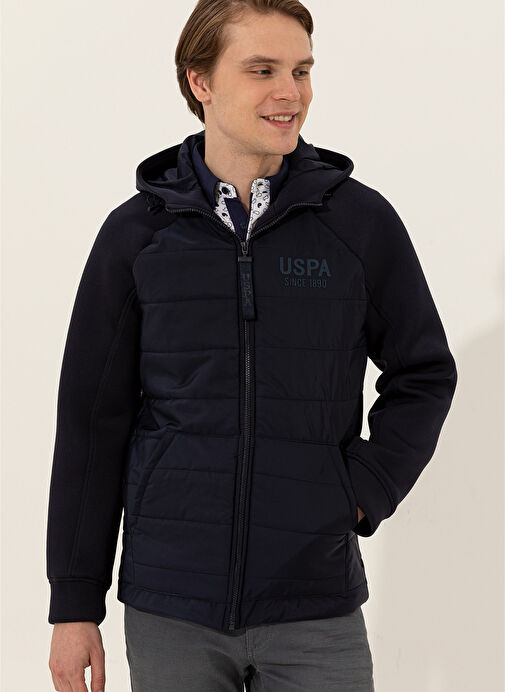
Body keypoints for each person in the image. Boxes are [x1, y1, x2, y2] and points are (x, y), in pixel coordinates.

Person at [46, 0, 458, 690]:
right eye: (262, 70)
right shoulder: (137, 235)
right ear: (200, 81)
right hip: (171, 606)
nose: (289, 93)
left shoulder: (357, 223)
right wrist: (74, 602)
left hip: (314, 602)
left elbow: (423, 373)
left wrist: (358, 492)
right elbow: (92, 422)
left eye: (301, 70)